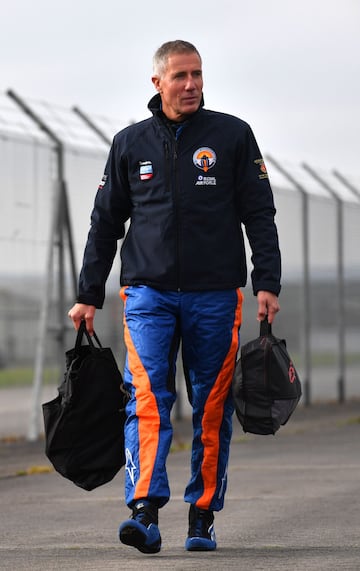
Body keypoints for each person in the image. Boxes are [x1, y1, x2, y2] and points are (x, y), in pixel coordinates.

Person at [68, 39, 281, 554]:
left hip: (215, 295)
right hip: (147, 294)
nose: (191, 85)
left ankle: (202, 514)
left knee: (211, 407)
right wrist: (88, 293)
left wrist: (267, 282)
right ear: (158, 82)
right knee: (147, 399)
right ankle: (144, 510)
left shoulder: (232, 136)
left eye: (198, 75)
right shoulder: (129, 143)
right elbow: (105, 223)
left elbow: (259, 212)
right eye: (181, 75)